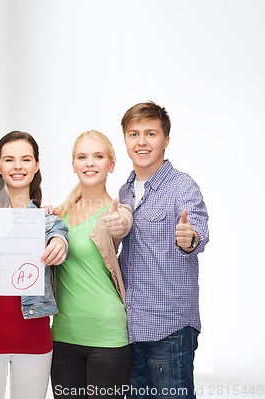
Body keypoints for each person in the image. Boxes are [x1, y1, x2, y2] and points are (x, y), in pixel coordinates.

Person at [0, 131, 68, 399]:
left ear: (36, 165)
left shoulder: (49, 221)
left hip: (34, 339)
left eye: (25, 159)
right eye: (9, 159)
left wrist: (59, 245)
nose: (17, 166)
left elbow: (60, 236)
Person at [118, 101, 209, 399]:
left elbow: (197, 231)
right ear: (126, 139)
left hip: (169, 328)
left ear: (165, 140)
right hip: (132, 327)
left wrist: (189, 238)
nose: (141, 142)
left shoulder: (182, 186)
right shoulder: (125, 191)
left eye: (150, 134)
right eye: (134, 134)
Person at [50, 130, 133, 399]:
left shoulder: (117, 210)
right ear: (73, 165)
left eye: (98, 156)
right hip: (63, 335)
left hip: (107, 336)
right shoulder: (58, 215)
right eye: (82, 157)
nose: (89, 163)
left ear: (111, 164)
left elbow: (122, 224)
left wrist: (119, 224)